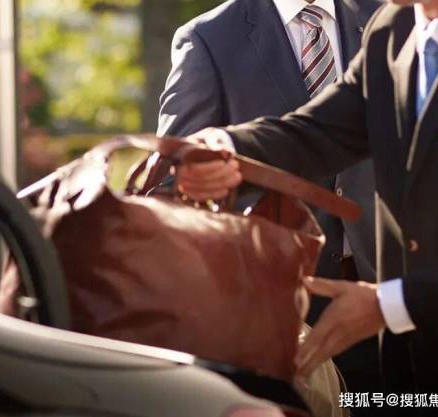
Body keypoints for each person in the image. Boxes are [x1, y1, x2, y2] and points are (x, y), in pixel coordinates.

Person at [176, 0, 438, 407]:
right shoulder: (391, 28)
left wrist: (388, 304)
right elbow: (319, 132)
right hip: (407, 369)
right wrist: (227, 145)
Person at [157, 0, 382, 396]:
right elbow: (176, 181)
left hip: (383, 295)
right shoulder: (209, 37)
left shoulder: (386, 18)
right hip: (275, 305)